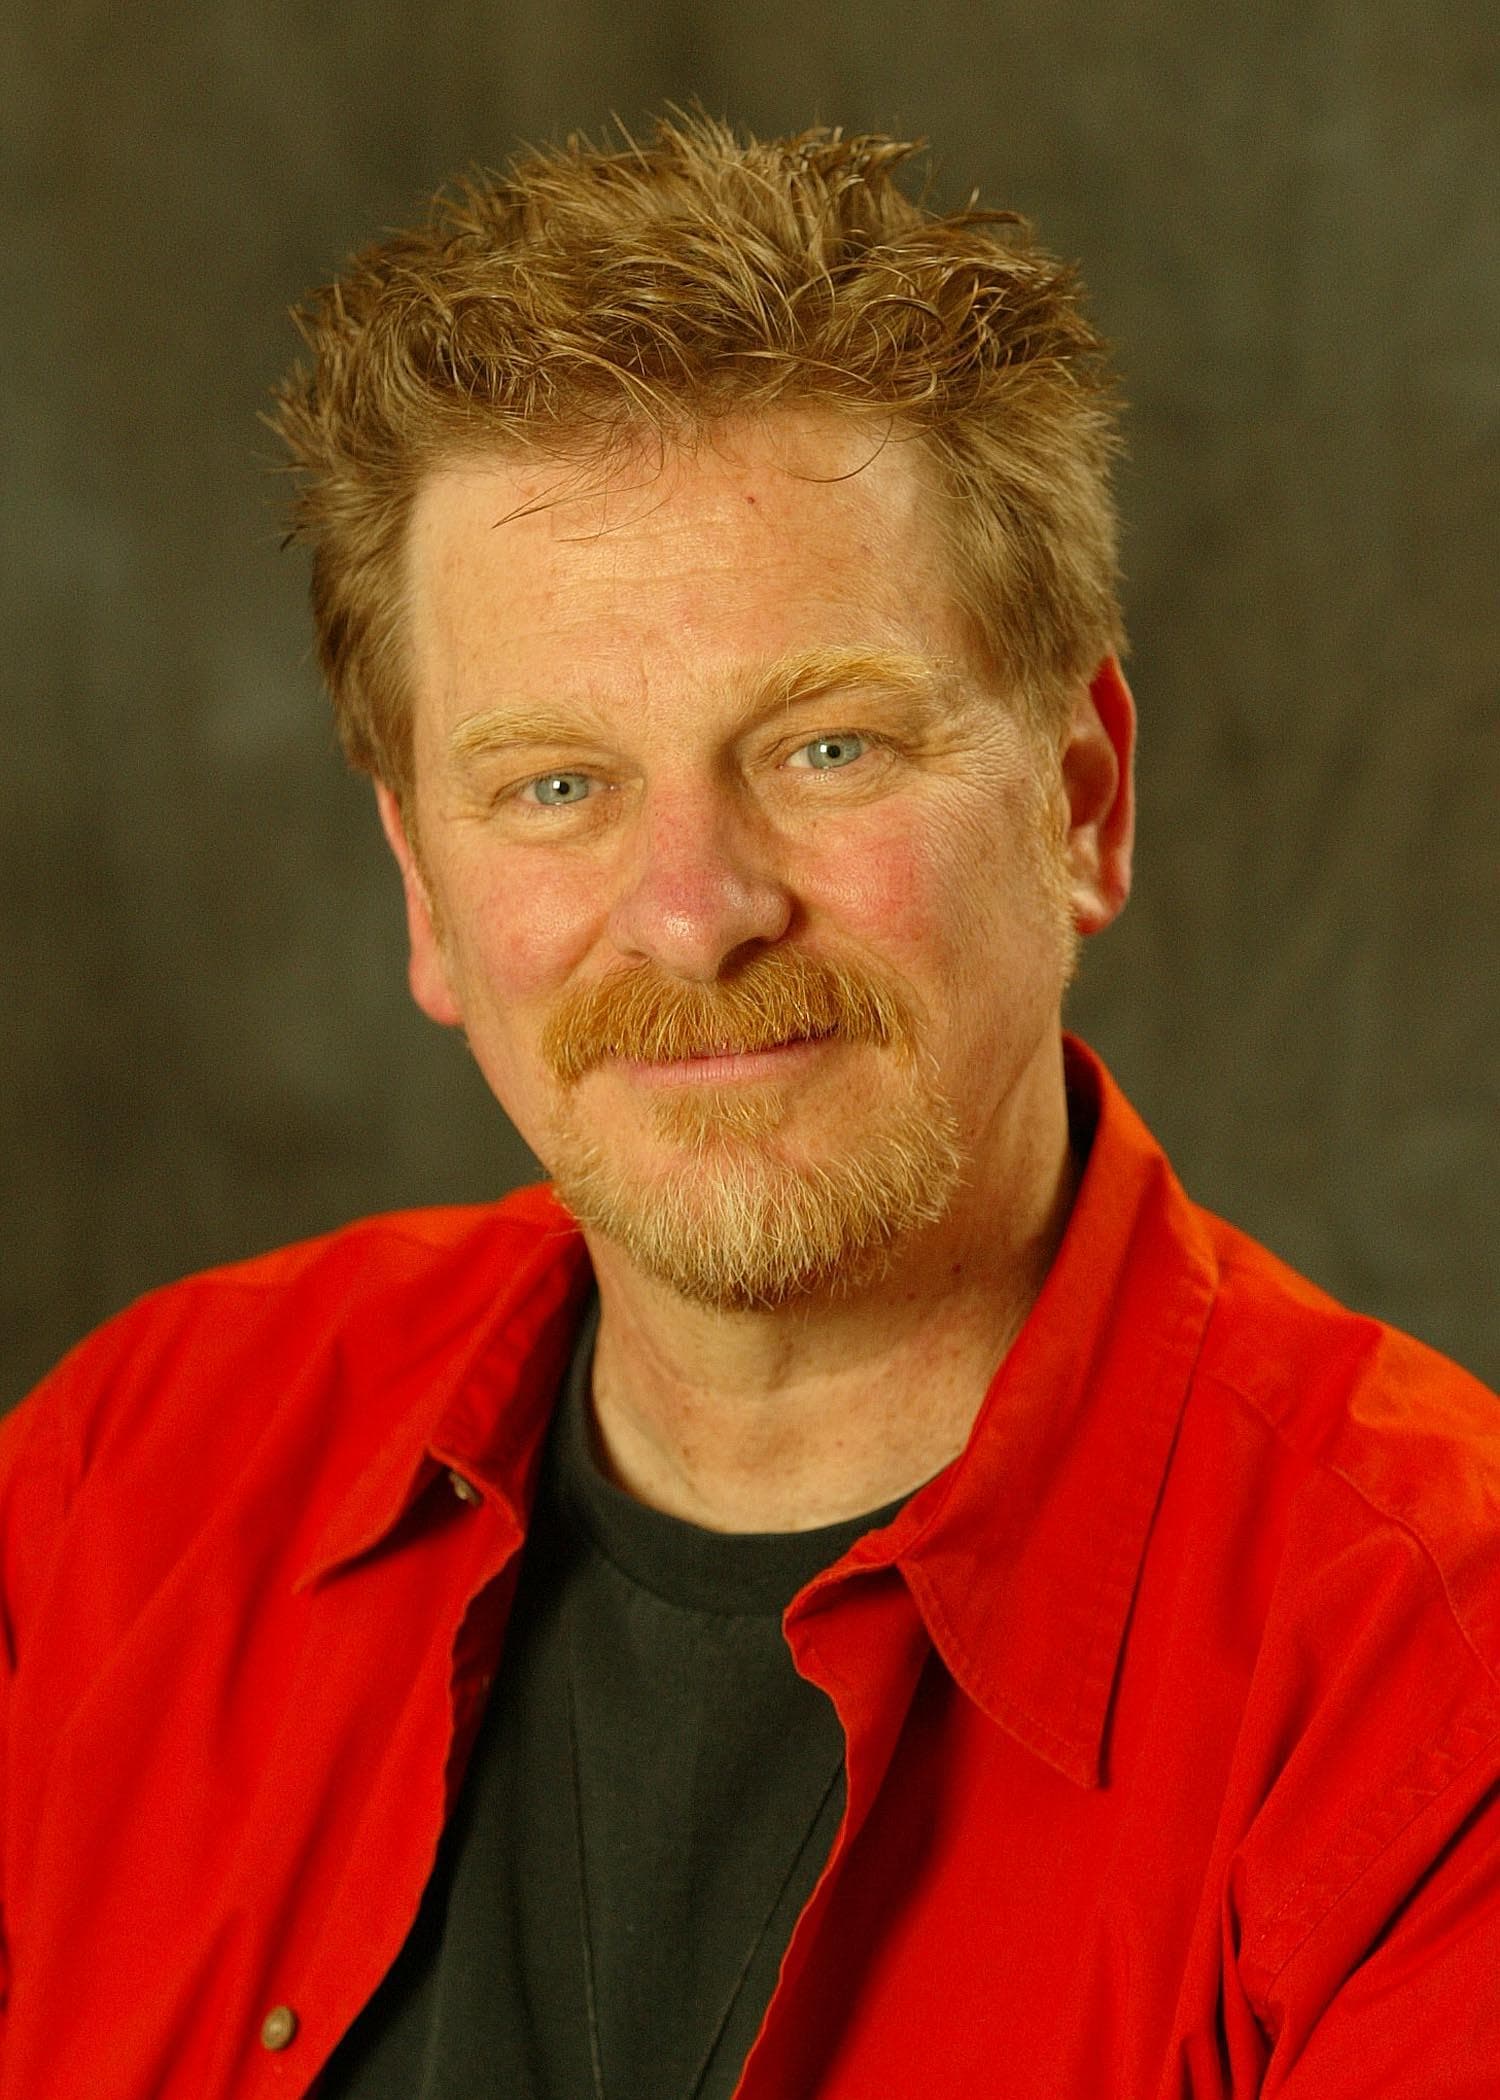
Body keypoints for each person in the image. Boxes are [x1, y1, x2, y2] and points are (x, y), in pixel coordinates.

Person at [2, 114, 1495, 2100]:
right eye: (556, 785)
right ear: (425, 896)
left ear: (1081, 801)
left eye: (826, 745)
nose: (696, 915)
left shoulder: (1433, 1691)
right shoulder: (127, 1491)